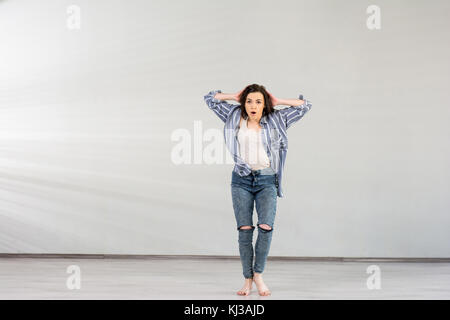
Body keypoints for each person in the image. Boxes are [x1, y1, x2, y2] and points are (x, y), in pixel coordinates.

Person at [203, 84, 312, 296]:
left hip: (267, 180)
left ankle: (259, 275)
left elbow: (305, 105)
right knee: (244, 232)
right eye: (249, 101)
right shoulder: (234, 115)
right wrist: (234, 96)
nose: (253, 106)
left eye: (258, 101)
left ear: (265, 104)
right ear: (244, 103)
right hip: (241, 180)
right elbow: (210, 98)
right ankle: (247, 279)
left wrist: (278, 101)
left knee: (265, 227)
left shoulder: (276, 119)